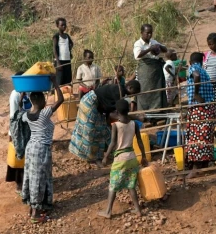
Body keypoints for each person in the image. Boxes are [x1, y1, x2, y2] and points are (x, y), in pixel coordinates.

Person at [70, 77, 141, 162]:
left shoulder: (120, 90)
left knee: (102, 129)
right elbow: (121, 113)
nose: (133, 95)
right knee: (90, 130)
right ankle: (90, 157)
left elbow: (110, 108)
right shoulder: (119, 91)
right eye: (134, 93)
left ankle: (100, 156)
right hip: (90, 103)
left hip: (96, 105)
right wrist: (138, 118)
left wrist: (107, 120)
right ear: (130, 88)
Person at [22, 79, 63, 223]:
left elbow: (19, 109)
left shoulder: (26, 115)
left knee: (33, 177)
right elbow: (61, 100)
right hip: (41, 149)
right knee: (39, 179)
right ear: (40, 100)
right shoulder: (44, 114)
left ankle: (37, 206)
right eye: (44, 98)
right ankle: (35, 214)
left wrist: (23, 93)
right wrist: (55, 82)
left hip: (31, 148)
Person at [101, 99, 147, 219]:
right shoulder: (134, 124)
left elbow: (112, 143)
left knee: (113, 185)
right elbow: (140, 141)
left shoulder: (116, 125)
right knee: (131, 185)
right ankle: (137, 210)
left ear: (117, 112)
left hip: (120, 159)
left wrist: (105, 157)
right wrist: (144, 156)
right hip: (132, 157)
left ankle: (108, 211)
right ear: (129, 110)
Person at [184, 52, 216, 169]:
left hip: (199, 109)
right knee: (206, 136)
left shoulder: (193, 68)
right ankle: (204, 164)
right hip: (209, 108)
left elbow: (196, 75)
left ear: (190, 61)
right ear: (201, 62)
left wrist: (196, 93)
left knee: (197, 137)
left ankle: (195, 168)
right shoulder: (205, 72)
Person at [133, 24, 168, 112]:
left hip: (156, 70)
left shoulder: (154, 41)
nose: (149, 35)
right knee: (144, 91)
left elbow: (165, 49)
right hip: (145, 70)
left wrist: (159, 46)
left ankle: (158, 113)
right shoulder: (138, 43)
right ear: (142, 33)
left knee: (157, 91)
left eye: (151, 33)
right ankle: (145, 113)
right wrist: (149, 49)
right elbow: (137, 56)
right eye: (147, 33)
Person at [8, 73, 31, 189]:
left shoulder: (28, 92)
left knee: (26, 157)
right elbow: (13, 117)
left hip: (28, 129)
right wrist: (11, 134)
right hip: (18, 129)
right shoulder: (15, 95)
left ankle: (26, 182)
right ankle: (19, 184)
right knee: (19, 155)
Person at [52, 18, 74, 88]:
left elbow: (71, 43)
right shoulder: (56, 36)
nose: (64, 26)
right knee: (59, 79)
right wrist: (58, 62)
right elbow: (54, 49)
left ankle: (66, 94)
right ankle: (55, 94)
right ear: (57, 26)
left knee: (67, 78)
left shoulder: (67, 36)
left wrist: (69, 51)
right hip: (60, 61)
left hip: (67, 60)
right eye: (62, 25)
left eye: (65, 25)